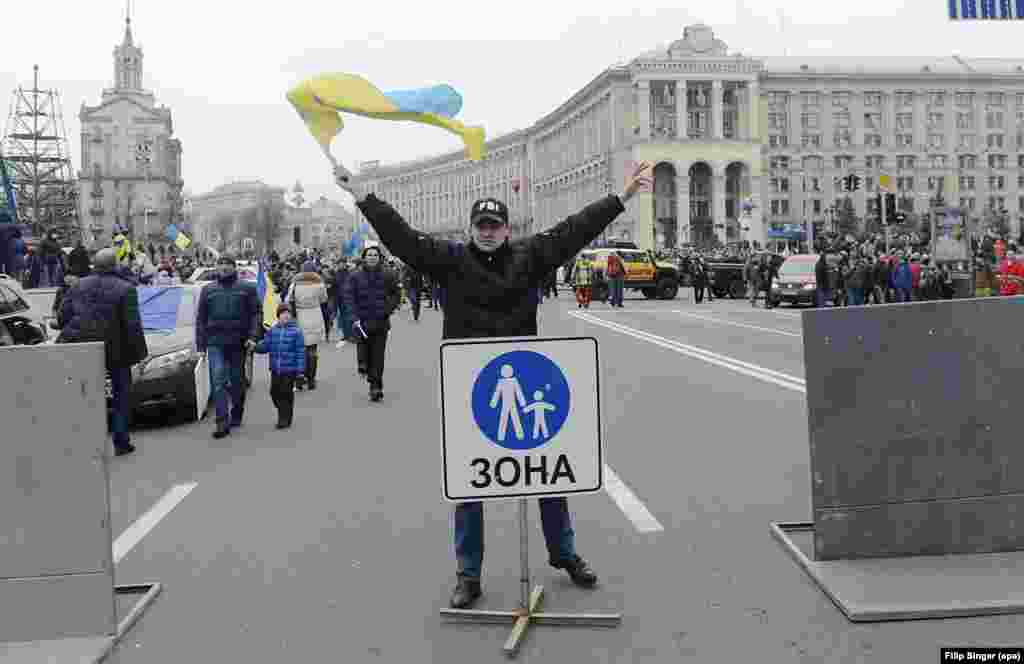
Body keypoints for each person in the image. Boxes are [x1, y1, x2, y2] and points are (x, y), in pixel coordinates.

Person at [334, 158, 652, 610]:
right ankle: (469, 574)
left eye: (494, 225)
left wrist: (622, 197)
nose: (487, 232)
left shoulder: (530, 255)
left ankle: (564, 552)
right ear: (471, 229)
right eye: (481, 226)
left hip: (527, 377)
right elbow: (402, 238)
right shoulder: (450, 260)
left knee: (548, 473)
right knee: (470, 484)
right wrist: (363, 197)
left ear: (506, 229)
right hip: (470, 386)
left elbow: (574, 230)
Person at [57, 248, 148, 456]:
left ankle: (86, 442)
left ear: (95, 265)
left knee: (84, 394)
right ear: (115, 265)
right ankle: (121, 441)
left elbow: (62, 317)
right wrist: (139, 355)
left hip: (83, 348)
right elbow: (133, 325)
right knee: (120, 395)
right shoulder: (126, 288)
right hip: (117, 350)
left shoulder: (78, 285)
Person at [195, 255, 262, 439]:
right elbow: (201, 319)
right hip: (215, 342)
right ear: (217, 267)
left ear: (234, 268)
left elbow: (256, 313)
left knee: (237, 382)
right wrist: (200, 345)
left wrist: (253, 337)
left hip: (238, 342)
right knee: (218, 380)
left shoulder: (246, 288)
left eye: (227, 264)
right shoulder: (208, 290)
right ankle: (221, 422)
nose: (223, 267)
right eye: (221, 264)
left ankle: (237, 411)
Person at [341, 246, 401, 402]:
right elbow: (348, 296)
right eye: (369, 255)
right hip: (362, 322)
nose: (372, 257)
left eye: (375, 255)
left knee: (378, 356)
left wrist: (387, 309)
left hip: (381, 322)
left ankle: (376, 387)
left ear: (379, 257)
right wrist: (353, 316)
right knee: (365, 353)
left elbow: (396, 294)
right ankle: (366, 369)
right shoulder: (355, 276)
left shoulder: (389, 274)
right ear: (364, 257)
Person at [249, 303, 306, 429]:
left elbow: (300, 352)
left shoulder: (296, 332)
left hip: (289, 370)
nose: (286, 316)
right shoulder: (273, 331)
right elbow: (265, 346)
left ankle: (284, 418)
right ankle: (283, 411)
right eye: (283, 313)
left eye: (288, 313)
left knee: (286, 393)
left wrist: (300, 371)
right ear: (278, 316)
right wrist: (255, 347)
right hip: (276, 369)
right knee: (274, 392)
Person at [287, 260, 328, 390]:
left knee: (300, 349)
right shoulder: (319, 282)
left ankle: (300, 375)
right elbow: (324, 299)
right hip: (315, 315)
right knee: (312, 350)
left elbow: (288, 299)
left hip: (299, 316)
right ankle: (311, 379)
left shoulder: (295, 283)